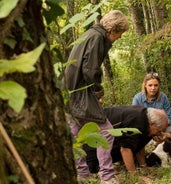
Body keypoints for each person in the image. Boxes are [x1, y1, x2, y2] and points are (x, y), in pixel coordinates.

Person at [63, 10, 129, 184]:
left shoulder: (90, 33)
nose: (119, 38)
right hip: (82, 92)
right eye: (120, 34)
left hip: (71, 92)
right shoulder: (97, 38)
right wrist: (98, 93)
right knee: (106, 132)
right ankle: (107, 177)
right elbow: (90, 69)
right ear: (113, 30)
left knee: (75, 133)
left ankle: (81, 174)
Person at [84, 106, 168, 176]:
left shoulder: (145, 119)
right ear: (152, 124)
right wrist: (134, 175)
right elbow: (125, 149)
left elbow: (139, 144)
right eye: (159, 130)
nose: (159, 133)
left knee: (148, 135)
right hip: (91, 144)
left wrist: (143, 166)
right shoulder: (137, 122)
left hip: (106, 136)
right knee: (91, 169)